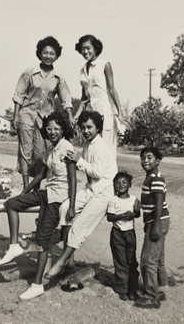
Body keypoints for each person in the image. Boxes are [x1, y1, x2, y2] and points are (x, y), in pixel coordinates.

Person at [0, 112, 77, 300]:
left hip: (57, 198)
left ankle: (37, 284)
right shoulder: (50, 149)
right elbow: (40, 176)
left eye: (56, 129)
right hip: (45, 193)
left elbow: (73, 179)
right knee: (11, 204)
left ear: (63, 130)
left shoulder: (67, 148)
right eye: (49, 129)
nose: (52, 132)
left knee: (42, 241)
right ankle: (15, 246)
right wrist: (24, 193)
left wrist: (72, 205)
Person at [44, 110, 117, 278]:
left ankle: (62, 261)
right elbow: (84, 167)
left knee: (80, 226)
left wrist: (78, 161)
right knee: (64, 208)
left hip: (104, 191)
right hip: (92, 188)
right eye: (83, 128)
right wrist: (71, 160)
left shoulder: (100, 146)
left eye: (90, 127)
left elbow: (97, 172)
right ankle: (70, 261)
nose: (86, 131)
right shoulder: (87, 144)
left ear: (98, 128)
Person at [11, 36, 74, 188]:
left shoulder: (58, 78)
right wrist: (15, 116)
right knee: (26, 151)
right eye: (45, 53)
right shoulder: (30, 73)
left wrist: (70, 116)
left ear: (56, 56)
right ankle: (26, 189)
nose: (48, 56)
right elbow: (19, 95)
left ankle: (35, 186)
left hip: (45, 120)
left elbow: (66, 99)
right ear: (40, 53)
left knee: (40, 154)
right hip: (26, 115)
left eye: (52, 54)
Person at [72, 34, 125, 158]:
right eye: (83, 49)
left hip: (106, 113)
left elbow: (112, 89)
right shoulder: (82, 70)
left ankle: (110, 177)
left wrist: (120, 112)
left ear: (95, 48)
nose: (85, 52)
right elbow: (84, 98)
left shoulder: (104, 64)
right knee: (92, 152)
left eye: (88, 48)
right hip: (91, 115)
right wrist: (76, 116)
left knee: (107, 151)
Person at [134, 147, 170, 309]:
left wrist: (154, 226)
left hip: (158, 221)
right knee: (158, 257)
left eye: (149, 157)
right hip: (156, 221)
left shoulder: (156, 178)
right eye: (143, 158)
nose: (145, 161)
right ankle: (160, 289)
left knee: (148, 260)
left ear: (158, 161)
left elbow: (158, 203)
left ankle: (151, 296)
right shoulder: (150, 177)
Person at [106, 171, 141, 301]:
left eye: (124, 182)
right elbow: (109, 217)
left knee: (131, 261)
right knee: (120, 261)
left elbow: (137, 214)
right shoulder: (113, 200)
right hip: (117, 233)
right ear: (114, 185)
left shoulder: (133, 199)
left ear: (130, 185)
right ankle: (122, 289)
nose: (121, 185)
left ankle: (133, 289)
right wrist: (121, 216)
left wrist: (134, 214)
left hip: (130, 233)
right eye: (118, 183)